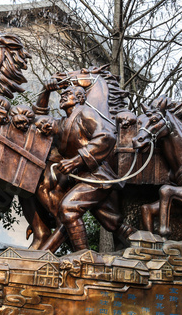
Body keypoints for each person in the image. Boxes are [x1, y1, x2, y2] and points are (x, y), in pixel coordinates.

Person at [35, 85, 135, 251]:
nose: (63, 96)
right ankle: (143, 243)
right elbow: (41, 116)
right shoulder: (61, 123)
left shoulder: (85, 113)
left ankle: (83, 257)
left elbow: (107, 136)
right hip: (81, 178)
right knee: (113, 222)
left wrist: (77, 160)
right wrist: (50, 130)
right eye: (62, 94)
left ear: (80, 98)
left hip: (96, 176)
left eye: (68, 94)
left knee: (68, 208)